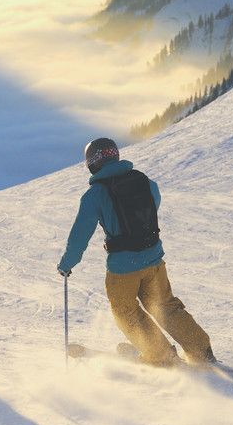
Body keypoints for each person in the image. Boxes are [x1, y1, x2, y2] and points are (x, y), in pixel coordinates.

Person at [57, 139, 215, 367]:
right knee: (165, 306)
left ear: (92, 163)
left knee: (126, 312)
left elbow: (80, 235)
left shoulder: (95, 194)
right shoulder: (144, 182)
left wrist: (67, 264)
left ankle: (160, 355)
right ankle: (201, 350)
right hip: (154, 261)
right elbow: (152, 206)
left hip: (123, 269)